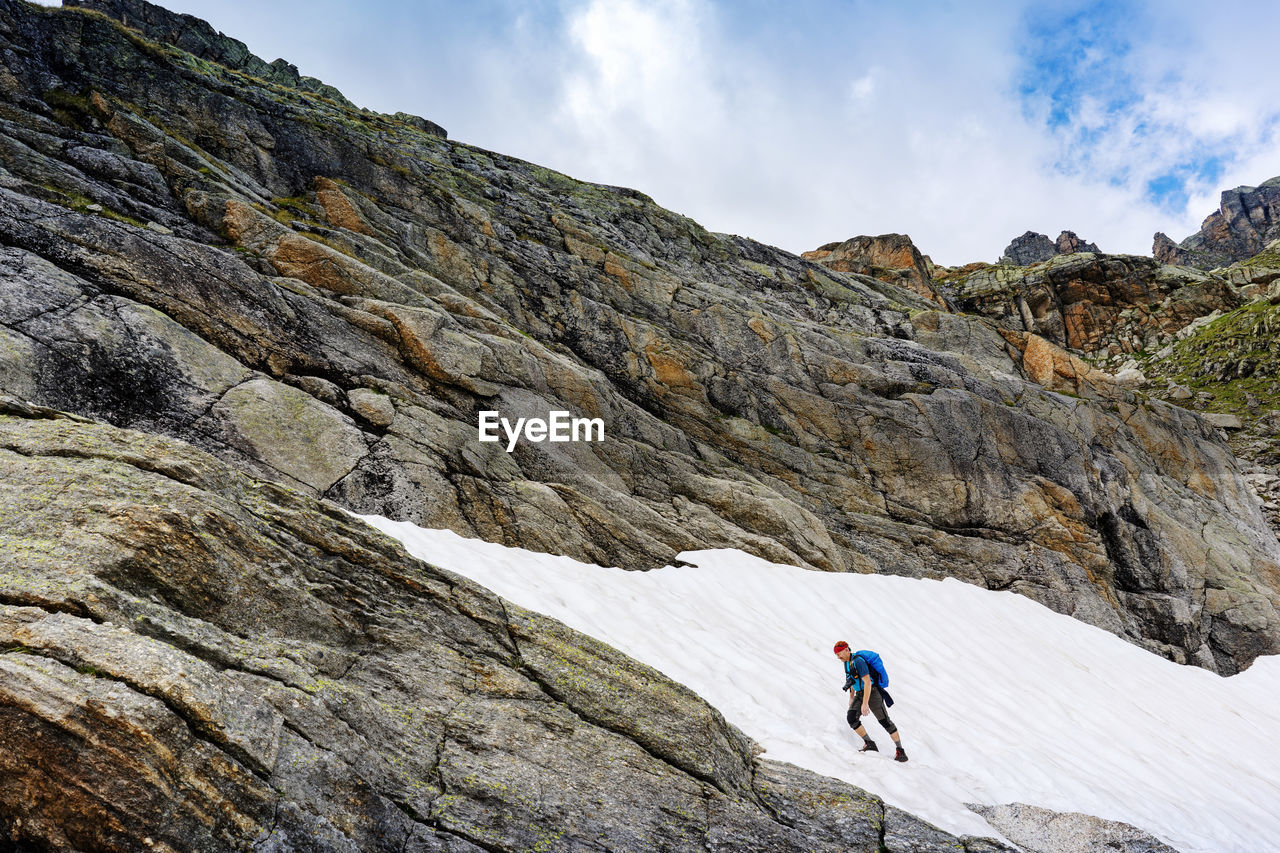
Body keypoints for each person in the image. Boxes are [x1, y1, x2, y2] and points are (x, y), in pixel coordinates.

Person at [834, 640, 907, 762]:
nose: (838, 657)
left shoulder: (858, 661)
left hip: (872, 693)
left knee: (885, 722)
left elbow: (867, 682)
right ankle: (870, 744)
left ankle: (901, 751)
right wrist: (851, 697)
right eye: (836, 655)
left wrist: (865, 703)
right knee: (851, 717)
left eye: (839, 653)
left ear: (847, 650)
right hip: (859, 693)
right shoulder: (846, 663)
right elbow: (850, 680)